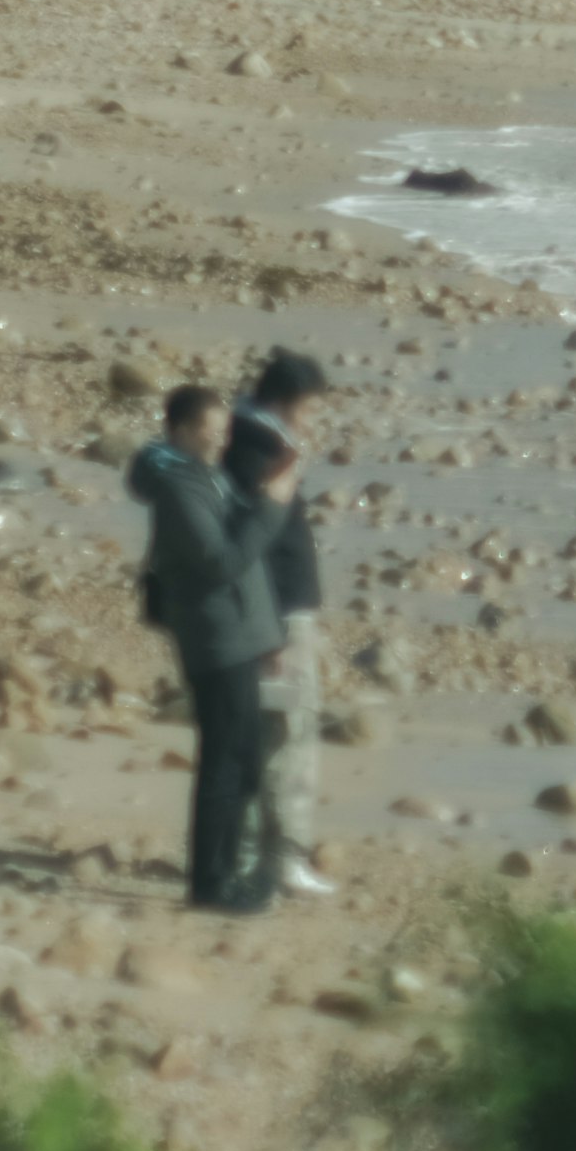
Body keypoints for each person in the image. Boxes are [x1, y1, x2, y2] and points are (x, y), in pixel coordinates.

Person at [127, 383, 296, 912]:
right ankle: (210, 883)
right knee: (225, 759)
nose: (223, 434)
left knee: (244, 756)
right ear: (180, 430)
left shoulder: (206, 475)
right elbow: (222, 562)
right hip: (213, 640)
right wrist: (270, 509)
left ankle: (230, 872)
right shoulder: (178, 487)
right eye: (211, 426)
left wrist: (268, 636)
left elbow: (242, 563)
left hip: (240, 636)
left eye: (224, 425)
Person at [227, 347, 336, 897]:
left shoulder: (243, 439)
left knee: (259, 731)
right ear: (287, 402)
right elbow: (253, 546)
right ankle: (280, 857)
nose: (312, 420)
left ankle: (248, 855)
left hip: (261, 611)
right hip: (275, 613)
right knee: (287, 734)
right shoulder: (257, 449)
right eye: (310, 408)